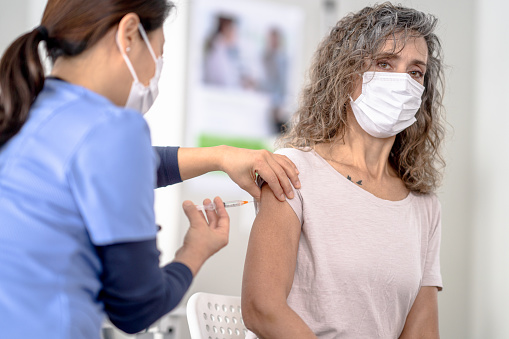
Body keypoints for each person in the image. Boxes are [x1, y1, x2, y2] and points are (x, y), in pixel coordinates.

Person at [0, 0, 300, 338]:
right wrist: (194, 251)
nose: (154, 71)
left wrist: (220, 157)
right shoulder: (113, 129)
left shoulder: (22, 110)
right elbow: (136, 308)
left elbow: (118, 168)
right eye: (159, 54)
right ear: (129, 33)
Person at [242, 3, 445, 338]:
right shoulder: (292, 170)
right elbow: (261, 308)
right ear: (347, 74)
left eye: (415, 72)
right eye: (384, 63)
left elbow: (422, 330)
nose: (402, 82)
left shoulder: (424, 206)